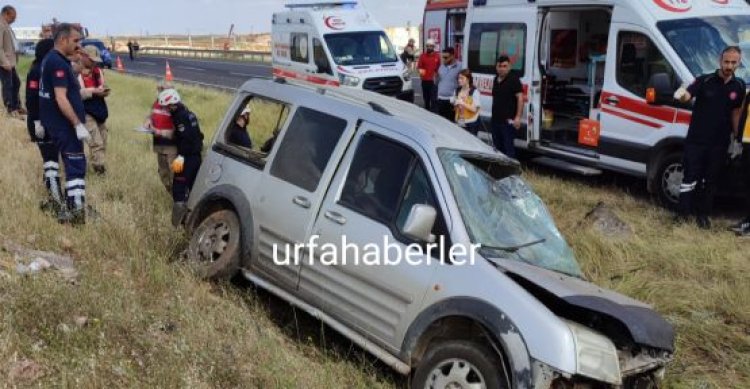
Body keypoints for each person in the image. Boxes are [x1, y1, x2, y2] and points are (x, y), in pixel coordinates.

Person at [674, 46, 746, 229]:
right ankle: (682, 214)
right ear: (719, 60)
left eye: (733, 62)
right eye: (726, 61)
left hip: (719, 143)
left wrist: (738, 139)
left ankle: (703, 215)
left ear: (739, 63)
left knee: (710, 180)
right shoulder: (704, 80)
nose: (729, 66)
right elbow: (688, 95)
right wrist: (682, 95)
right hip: (696, 140)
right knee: (690, 177)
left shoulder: (738, 86)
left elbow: (736, 113)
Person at [39, 23, 90, 224]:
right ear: (63, 40)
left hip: (57, 124)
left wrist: (81, 54)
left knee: (73, 165)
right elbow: (61, 98)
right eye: (75, 41)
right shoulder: (58, 63)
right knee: (76, 166)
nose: (78, 44)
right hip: (64, 126)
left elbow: (79, 70)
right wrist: (77, 124)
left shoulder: (53, 59)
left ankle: (72, 208)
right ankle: (77, 213)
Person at [25, 38, 63, 213]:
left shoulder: (51, 68)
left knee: (53, 159)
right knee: (50, 160)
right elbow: (32, 99)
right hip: (40, 122)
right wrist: (36, 121)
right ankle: (55, 199)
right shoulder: (35, 71)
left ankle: (53, 193)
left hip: (53, 122)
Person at [157, 88, 204, 226]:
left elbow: (186, 140)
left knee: (178, 189)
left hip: (186, 158)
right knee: (193, 187)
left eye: (166, 107)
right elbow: (198, 136)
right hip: (196, 157)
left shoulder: (180, 118)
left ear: (172, 104)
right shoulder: (189, 114)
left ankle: (179, 224)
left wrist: (180, 158)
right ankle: (196, 219)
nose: (165, 110)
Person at [77, 45, 110, 175]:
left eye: (95, 60)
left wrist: (104, 91)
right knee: (96, 142)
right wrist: (93, 91)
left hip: (99, 109)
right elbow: (75, 94)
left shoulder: (98, 71)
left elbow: (103, 86)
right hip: (84, 110)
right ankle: (99, 171)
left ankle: (97, 164)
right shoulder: (75, 71)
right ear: (83, 56)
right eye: (91, 60)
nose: (94, 63)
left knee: (103, 139)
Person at [143, 80, 178, 193]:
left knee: (175, 172)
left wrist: (158, 131)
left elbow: (175, 130)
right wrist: (148, 121)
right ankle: (171, 192)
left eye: (161, 90)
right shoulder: (156, 103)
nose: (158, 93)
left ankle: (179, 197)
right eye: (158, 90)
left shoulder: (175, 106)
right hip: (159, 145)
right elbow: (151, 115)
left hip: (171, 146)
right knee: (163, 173)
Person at [491, 55, 523, 159]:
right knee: (497, 148)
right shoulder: (495, 79)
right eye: (500, 66)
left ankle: (510, 171)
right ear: (497, 67)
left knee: (508, 149)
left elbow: (520, 98)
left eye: (505, 66)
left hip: (507, 122)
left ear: (509, 66)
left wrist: (518, 117)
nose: (502, 69)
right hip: (495, 120)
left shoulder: (514, 79)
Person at [731, 96, 750, 236]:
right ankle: (748, 221)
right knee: (747, 184)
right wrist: (738, 140)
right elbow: (744, 115)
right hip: (747, 144)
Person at [1, 5, 23, 117]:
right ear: (6, 14)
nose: (14, 19)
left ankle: (17, 106)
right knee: (8, 85)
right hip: (5, 63)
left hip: (11, 62)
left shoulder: (6, 25)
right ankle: (10, 109)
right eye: (13, 17)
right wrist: (4, 62)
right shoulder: (0, 25)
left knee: (16, 83)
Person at [452, 69, 482, 135]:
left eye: (462, 78)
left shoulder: (474, 92)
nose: (459, 80)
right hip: (459, 121)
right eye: (458, 78)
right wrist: (455, 103)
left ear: (468, 79)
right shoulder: (457, 90)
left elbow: (474, 109)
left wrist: (462, 103)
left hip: (471, 123)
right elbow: (455, 108)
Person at [435, 47, 462, 122]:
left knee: (451, 124)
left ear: (452, 56)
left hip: (451, 101)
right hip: (440, 100)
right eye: (442, 57)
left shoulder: (460, 66)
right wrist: (436, 78)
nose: (443, 59)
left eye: (446, 57)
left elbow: (463, 83)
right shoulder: (441, 66)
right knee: (441, 122)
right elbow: (437, 82)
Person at [416, 39, 440, 112]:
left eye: (431, 46)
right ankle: (427, 112)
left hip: (434, 81)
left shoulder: (437, 56)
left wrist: (436, 75)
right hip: (425, 81)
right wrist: (423, 75)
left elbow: (439, 67)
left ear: (433, 47)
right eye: (428, 46)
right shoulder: (422, 56)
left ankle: (434, 114)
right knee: (426, 99)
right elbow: (420, 67)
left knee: (434, 99)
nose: (429, 47)